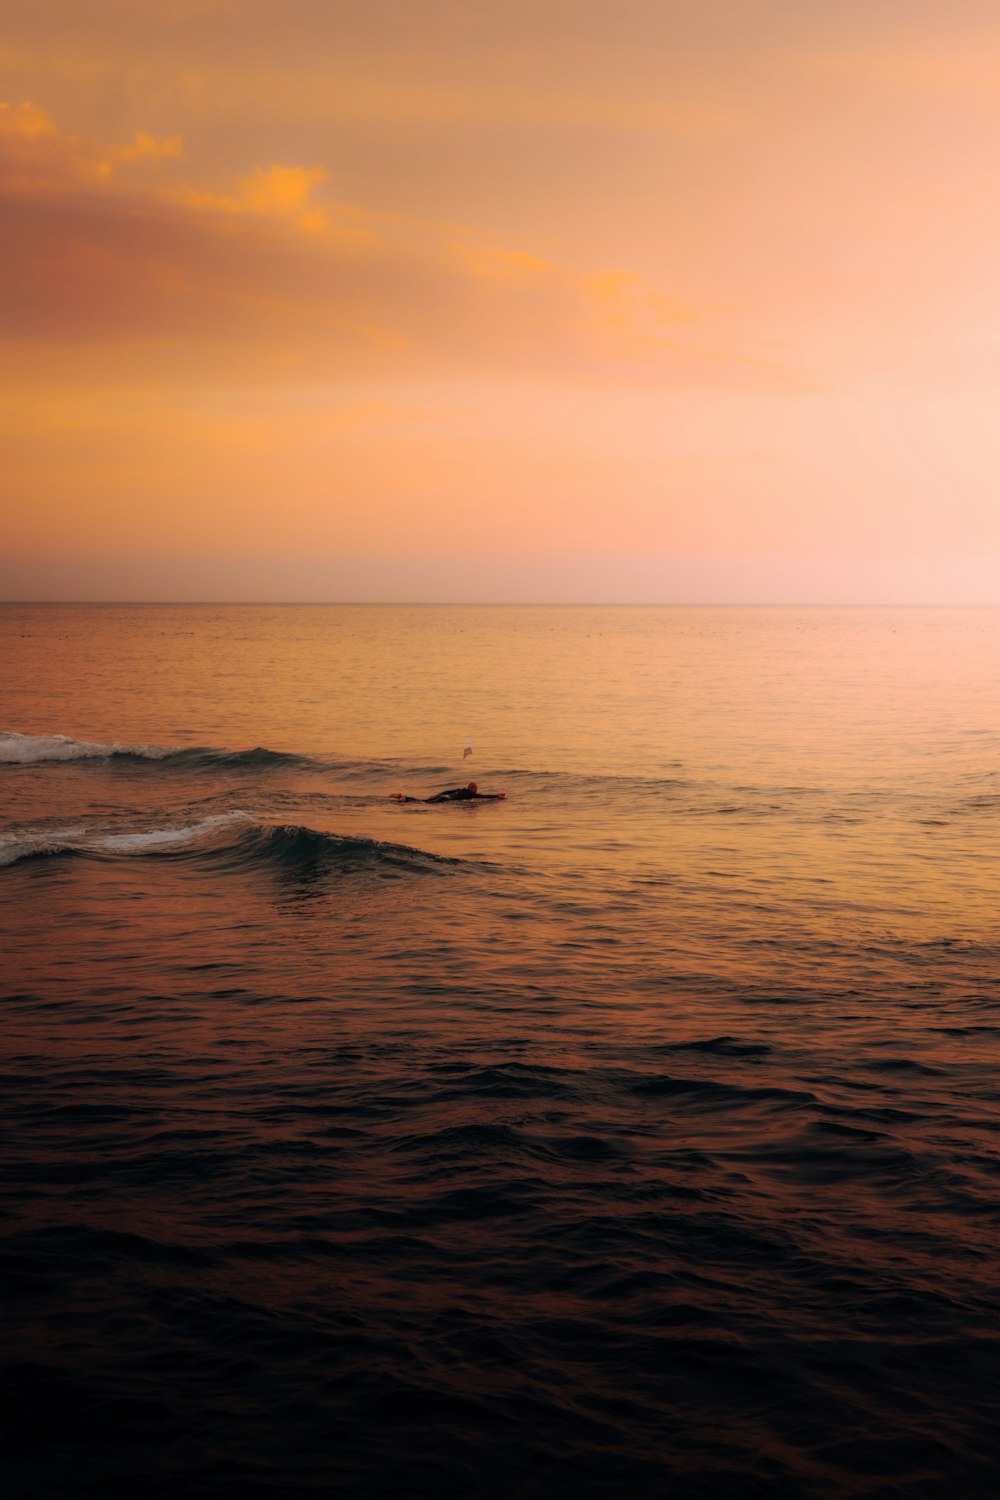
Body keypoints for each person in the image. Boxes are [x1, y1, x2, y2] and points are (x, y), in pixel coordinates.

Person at [390, 782, 505, 804]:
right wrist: (497, 796)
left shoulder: (460, 789)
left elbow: (446, 791)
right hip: (444, 800)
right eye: (476, 790)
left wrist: (436, 794)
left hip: (442, 796)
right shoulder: (471, 794)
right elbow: (484, 796)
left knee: (424, 801)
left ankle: (403, 797)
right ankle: (404, 799)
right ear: (473, 789)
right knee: (424, 803)